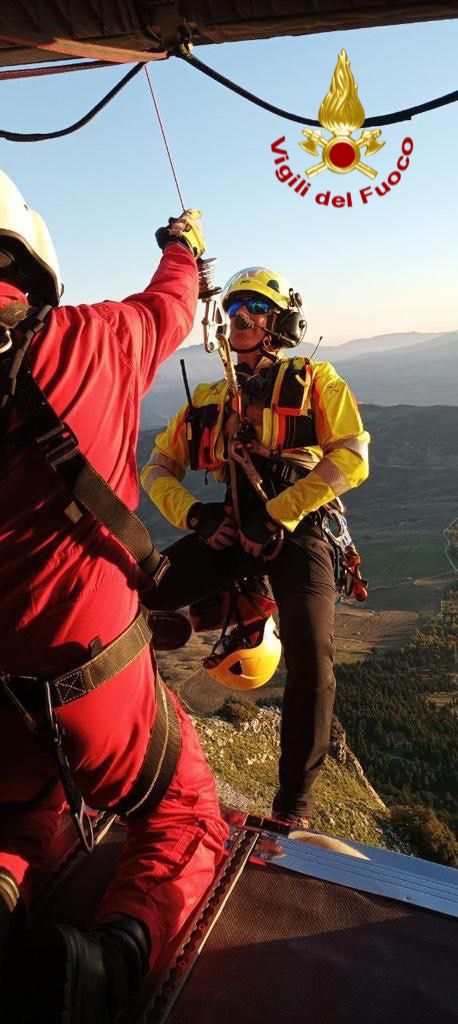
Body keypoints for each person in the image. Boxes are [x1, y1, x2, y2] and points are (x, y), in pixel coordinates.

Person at [0, 171, 228, 1023]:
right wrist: (183, 245)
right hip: (93, 686)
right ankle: (116, 958)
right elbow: (172, 299)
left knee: (21, 805)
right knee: (184, 810)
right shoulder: (99, 340)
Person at [141, 266, 370, 828]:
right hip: (234, 526)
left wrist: (281, 511)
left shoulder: (316, 381)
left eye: (254, 309)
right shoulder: (214, 398)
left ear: (279, 322)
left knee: (312, 658)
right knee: (138, 594)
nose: (240, 318)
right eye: (234, 308)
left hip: (303, 530)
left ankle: (292, 807)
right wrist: (195, 514)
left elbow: (354, 455)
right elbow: (158, 467)